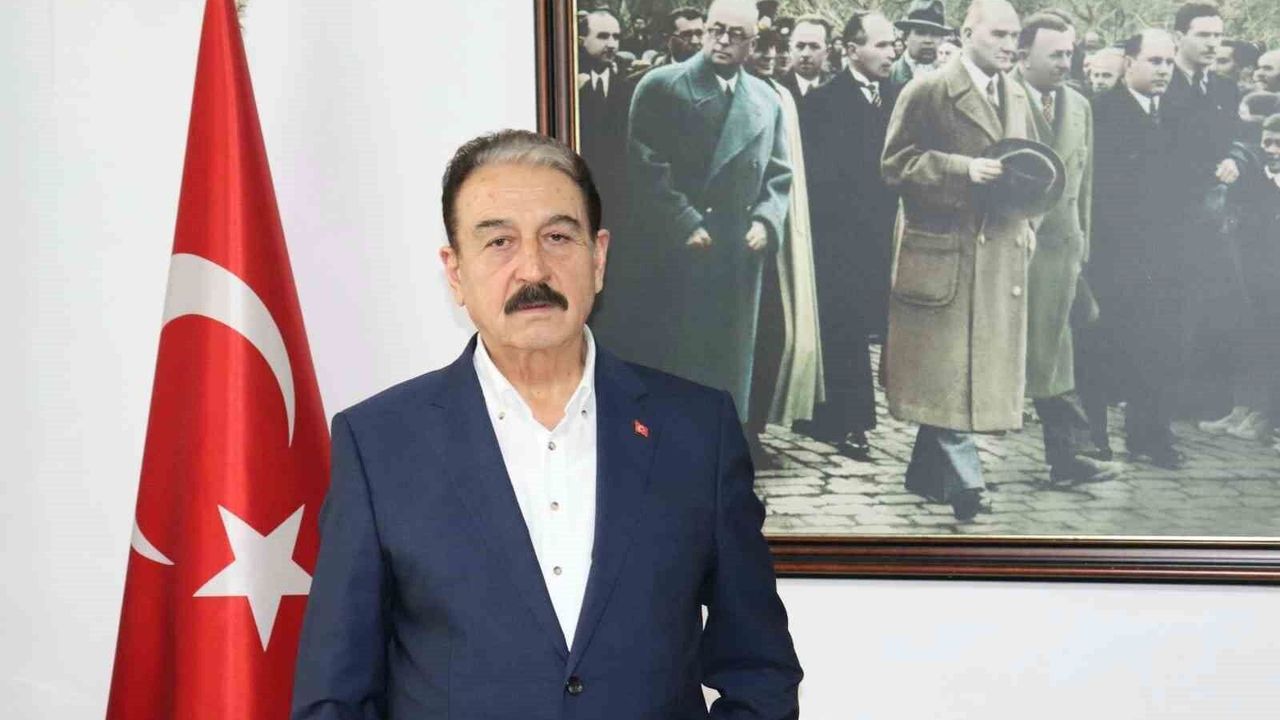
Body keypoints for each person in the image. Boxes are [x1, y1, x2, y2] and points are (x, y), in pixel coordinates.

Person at [291, 129, 803, 719]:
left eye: (558, 237)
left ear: (598, 257)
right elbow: (335, 695)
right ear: (455, 273)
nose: (533, 268)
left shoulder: (697, 431)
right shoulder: (380, 444)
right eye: (499, 242)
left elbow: (760, 671)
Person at [599, 0, 791, 435]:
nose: (722, 41)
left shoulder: (766, 99)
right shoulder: (662, 85)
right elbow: (645, 162)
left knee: (727, 364)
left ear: (753, 42)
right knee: (673, 359)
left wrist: (766, 221)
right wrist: (685, 220)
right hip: (676, 246)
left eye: (736, 35)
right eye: (715, 29)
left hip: (737, 249)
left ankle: (719, 447)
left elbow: (779, 173)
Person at [881, 0, 1039, 520]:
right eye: (998, 34)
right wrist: (961, 168)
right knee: (947, 364)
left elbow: (1033, 168)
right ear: (967, 33)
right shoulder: (928, 90)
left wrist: (1029, 223)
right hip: (944, 249)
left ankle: (929, 474)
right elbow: (895, 164)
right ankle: (967, 481)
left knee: (958, 368)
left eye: (1014, 35)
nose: (1009, 45)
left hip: (998, 251)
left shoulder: (1016, 93)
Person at [1014, 13, 1126, 485]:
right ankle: (950, 461)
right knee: (1001, 355)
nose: (1066, 62)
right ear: (1023, 56)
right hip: (1013, 249)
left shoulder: (1079, 105)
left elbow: (1085, 184)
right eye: (1055, 54)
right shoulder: (1002, 98)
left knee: (1057, 355)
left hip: (1061, 252)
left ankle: (1070, 456)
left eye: (1069, 53)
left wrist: (1082, 248)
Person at [797, 11, 901, 460]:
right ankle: (851, 422)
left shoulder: (898, 97)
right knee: (844, 327)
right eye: (881, 45)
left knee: (866, 325)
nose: (890, 53)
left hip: (884, 232)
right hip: (837, 237)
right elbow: (813, 177)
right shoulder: (823, 102)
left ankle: (829, 416)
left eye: (893, 45)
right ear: (851, 49)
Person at [1083, 29, 1184, 467]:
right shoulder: (1101, 112)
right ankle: (1093, 441)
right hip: (1111, 253)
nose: (1163, 70)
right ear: (1129, 62)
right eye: (1154, 61)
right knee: (1099, 346)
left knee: (1156, 345)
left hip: (1160, 255)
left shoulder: (1173, 112)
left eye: (1169, 62)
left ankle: (1150, 436)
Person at [744, 28, 826, 468]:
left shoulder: (781, 96)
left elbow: (787, 170)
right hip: (730, 231)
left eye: (777, 49)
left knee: (773, 331)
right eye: (762, 47)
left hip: (772, 234)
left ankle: (754, 429)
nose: (770, 56)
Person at [1162, 2, 1245, 427]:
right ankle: (1167, 400)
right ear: (1179, 36)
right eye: (1203, 35)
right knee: (1173, 308)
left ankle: (1203, 400)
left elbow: (1239, 140)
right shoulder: (1163, 84)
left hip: (1215, 217)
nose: (1213, 44)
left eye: (1218, 36)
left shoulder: (1226, 90)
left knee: (1218, 305)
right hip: (1169, 217)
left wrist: (1235, 159)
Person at [576, 9, 633, 235]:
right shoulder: (569, 84)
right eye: (602, 36)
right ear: (582, 39)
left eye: (615, 37)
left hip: (618, 198)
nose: (611, 44)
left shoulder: (627, 84)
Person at [887, 0, 953, 93]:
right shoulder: (888, 76)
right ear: (906, 37)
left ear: (942, 39)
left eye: (935, 34)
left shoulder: (950, 77)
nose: (928, 40)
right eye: (921, 32)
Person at [779, 16, 832, 101]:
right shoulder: (776, 90)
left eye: (814, 46)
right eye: (800, 46)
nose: (805, 54)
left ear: (827, 52)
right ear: (790, 49)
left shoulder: (838, 90)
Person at [645, 6, 705, 72]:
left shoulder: (712, 73)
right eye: (686, 35)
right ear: (669, 39)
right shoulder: (652, 76)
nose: (695, 41)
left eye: (699, 33)